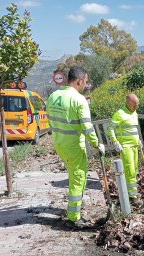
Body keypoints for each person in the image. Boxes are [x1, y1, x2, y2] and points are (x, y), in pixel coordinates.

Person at [47, 66, 105, 226]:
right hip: (73, 146)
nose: (86, 85)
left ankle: (77, 207)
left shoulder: (53, 96)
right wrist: (97, 144)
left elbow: (50, 120)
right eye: (85, 82)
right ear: (79, 81)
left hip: (59, 143)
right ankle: (74, 216)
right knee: (78, 178)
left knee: (75, 176)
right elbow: (87, 127)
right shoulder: (79, 100)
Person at [107, 93, 143, 207]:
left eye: (138, 105)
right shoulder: (120, 114)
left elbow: (133, 129)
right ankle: (132, 197)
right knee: (130, 170)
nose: (136, 107)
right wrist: (115, 141)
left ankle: (132, 191)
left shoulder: (134, 113)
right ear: (128, 103)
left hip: (134, 146)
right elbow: (110, 128)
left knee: (135, 169)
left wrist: (138, 141)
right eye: (134, 105)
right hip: (126, 147)